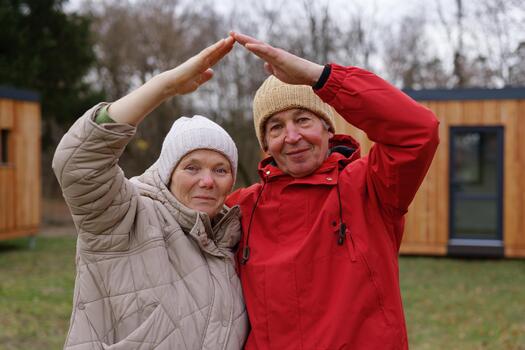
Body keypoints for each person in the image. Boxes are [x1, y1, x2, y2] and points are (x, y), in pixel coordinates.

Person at [226, 32, 440, 349]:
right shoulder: (241, 208)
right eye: (276, 127)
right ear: (265, 144)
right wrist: (169, 86)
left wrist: (320, 77)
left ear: (328, 128)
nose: (292, 136)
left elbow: (418, 130)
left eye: (303, 119)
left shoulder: (371, 187)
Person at [52, 36, 249, 350]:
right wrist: (166, 87)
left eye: (220, 170)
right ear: (169, 172)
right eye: (192, 167)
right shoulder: (125, 217)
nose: (207, 181)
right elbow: (79, 162)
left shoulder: (232, 244)